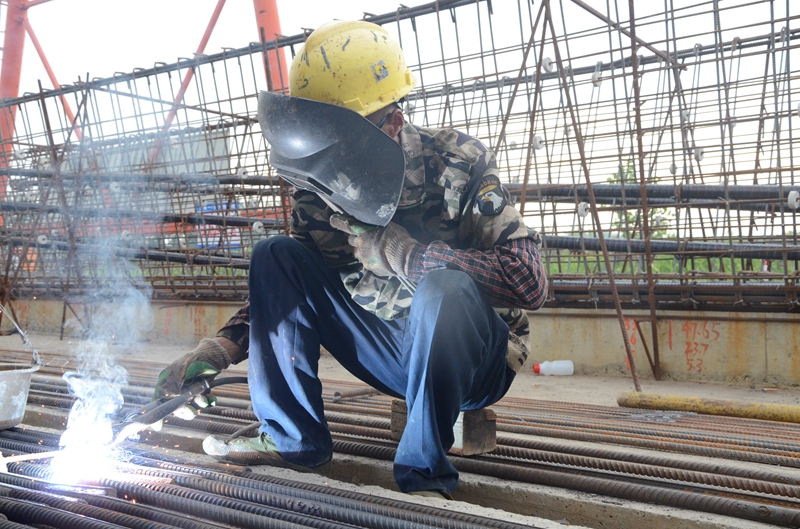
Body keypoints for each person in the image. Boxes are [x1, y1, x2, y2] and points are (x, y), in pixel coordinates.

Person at [154, 19, 547, 499]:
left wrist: (409, 256)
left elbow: (530, 282)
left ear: (392, 124)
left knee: (444, 288)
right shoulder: (320, 188)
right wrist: (217, 350)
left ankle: (424, 475)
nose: (330, 157)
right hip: (388, 354)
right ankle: (293, 440)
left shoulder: (457, 164)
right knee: (276, 254)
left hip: (475, 366)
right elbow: (287, 292)